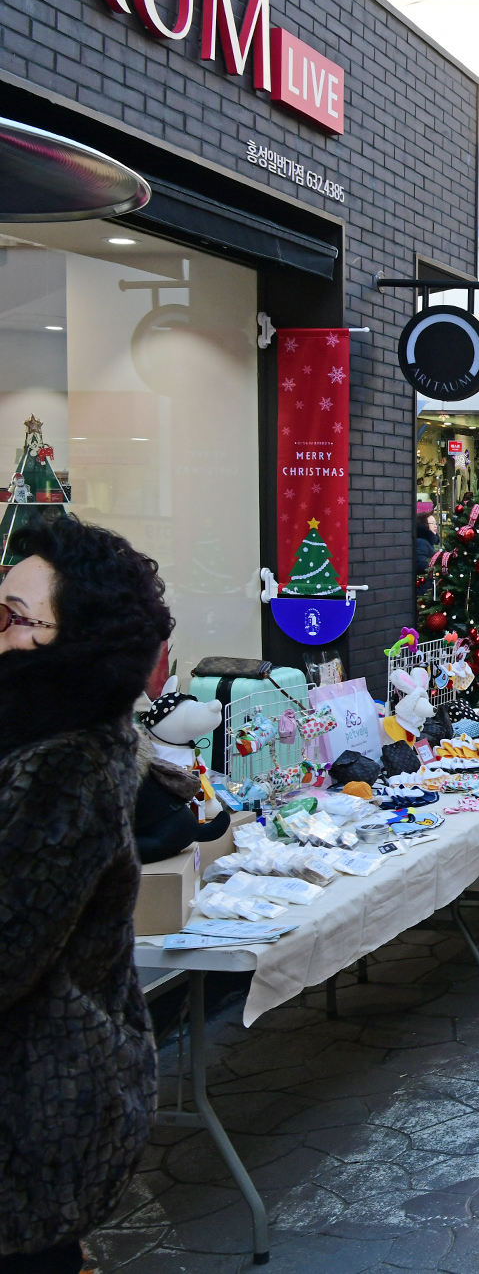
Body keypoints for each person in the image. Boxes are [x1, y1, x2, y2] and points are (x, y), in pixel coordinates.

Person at [0, 518, 174, 1273]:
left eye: (13, 615)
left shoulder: (63, 767)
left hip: (27, 1126)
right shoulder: (36, 742)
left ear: (69, 642)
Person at [415, 509, 437, 581]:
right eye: (432, 523)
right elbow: (421, 565)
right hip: (424, 586)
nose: (435, 526)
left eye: (435, 523)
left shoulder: (430, 542)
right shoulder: (421, 542)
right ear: (424, 524)